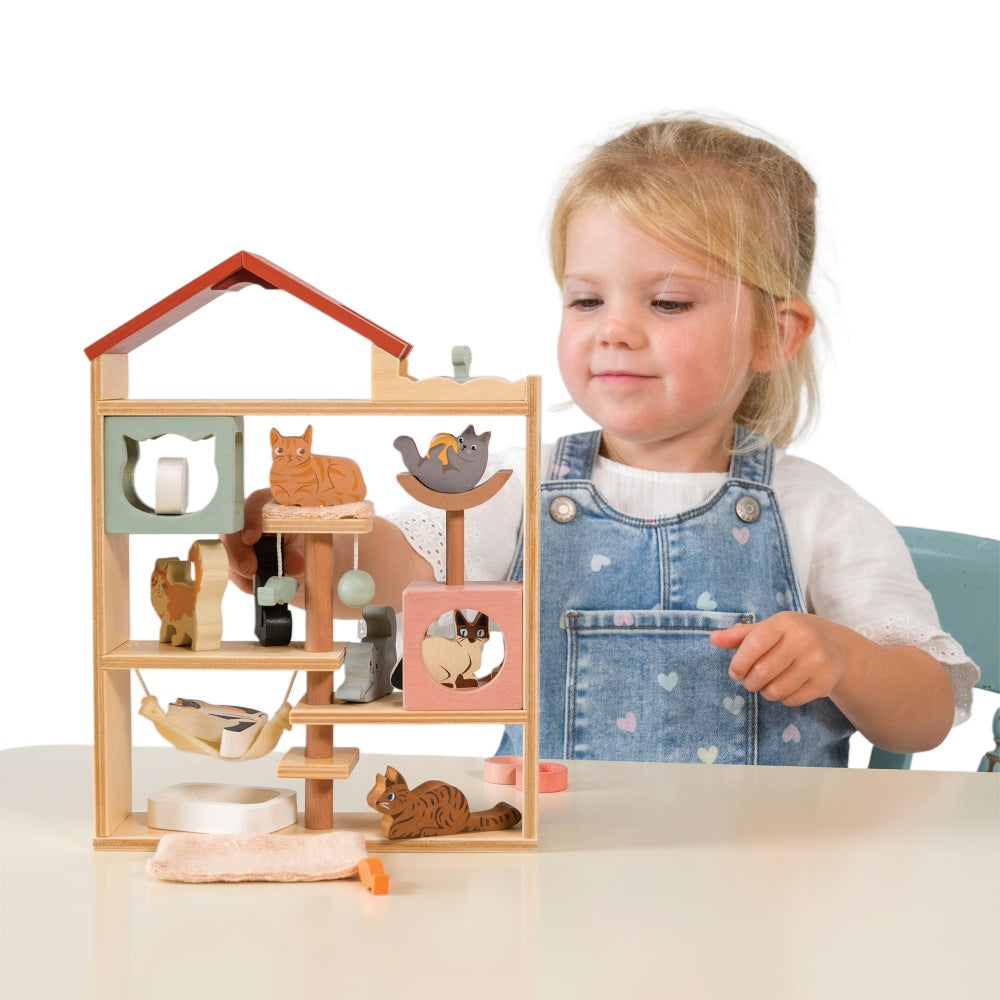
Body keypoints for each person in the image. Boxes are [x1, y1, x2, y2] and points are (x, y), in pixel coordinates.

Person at [224, 114, 978, 766]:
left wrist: (844, 659)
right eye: (586, 298)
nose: (614, 328)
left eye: (669, 301)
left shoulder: (813, 512)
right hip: (551, 871)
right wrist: (303, 544)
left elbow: (928, 710)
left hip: (763, 893)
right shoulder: (512, 488)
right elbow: (397, 583)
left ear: (773, 333)